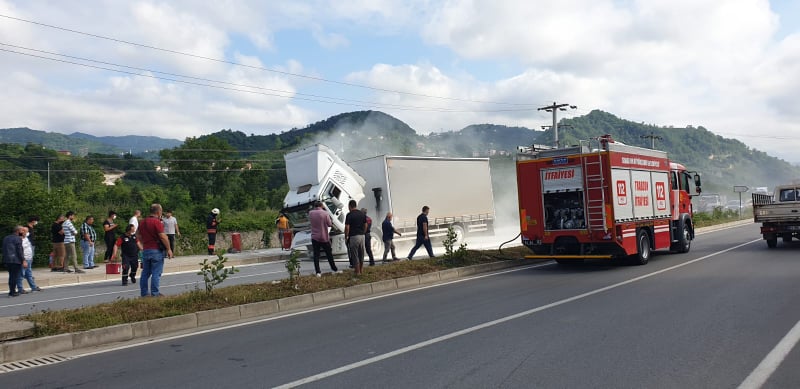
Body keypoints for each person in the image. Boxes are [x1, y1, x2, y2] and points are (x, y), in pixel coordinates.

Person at [138, 203, 174, 297]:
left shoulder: (142, 222)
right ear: (158, 212)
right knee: (156, 272)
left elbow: (138, 236)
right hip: (156, 250)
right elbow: (163, 237)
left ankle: (144, 293)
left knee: (145, 272)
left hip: (146, 249)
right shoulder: (157, 222)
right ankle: (155, 293)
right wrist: (169, 249)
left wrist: (144, 243)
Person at [309, 201, 342, 277]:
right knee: (329, 254)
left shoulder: (311, 213)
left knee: (316, 255)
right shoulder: (325, 213)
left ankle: (318, 272)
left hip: (314, 237)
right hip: (323, 237)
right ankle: (334, 269)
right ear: (321, 205)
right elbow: (329, 224)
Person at [344, 200, 367, 276]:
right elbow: (366, 225)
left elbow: (347, 227)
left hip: (354, 236)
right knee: (361, 254)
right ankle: (361, 270)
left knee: (355, 254)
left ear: (350, 206)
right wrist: (363, 232)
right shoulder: (362, 214)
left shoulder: (349, 215)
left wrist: (346, 236)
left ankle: (357, 272)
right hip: (362, 236)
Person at [17, 226, 41, 293]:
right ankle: (20, 289)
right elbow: (19, 250)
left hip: (29, 258)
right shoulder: (19, 239)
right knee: (21, 274)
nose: (26, 232)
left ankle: (33, 287)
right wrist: (23, 260)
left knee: (29, 274)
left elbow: (28, 234)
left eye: (27, 231)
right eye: (24, 231)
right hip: (24, 259)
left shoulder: (26, 238)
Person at [3, 226, 25, 297]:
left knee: (11, 276)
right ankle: (12, 292)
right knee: (14, 276)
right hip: (15, 260)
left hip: (7, 259)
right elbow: (19, 250)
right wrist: (23, 260)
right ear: (18, 231)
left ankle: (11, 290)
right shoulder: (18, 238)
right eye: (22, 230)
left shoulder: (6, 238)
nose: (23, 232)